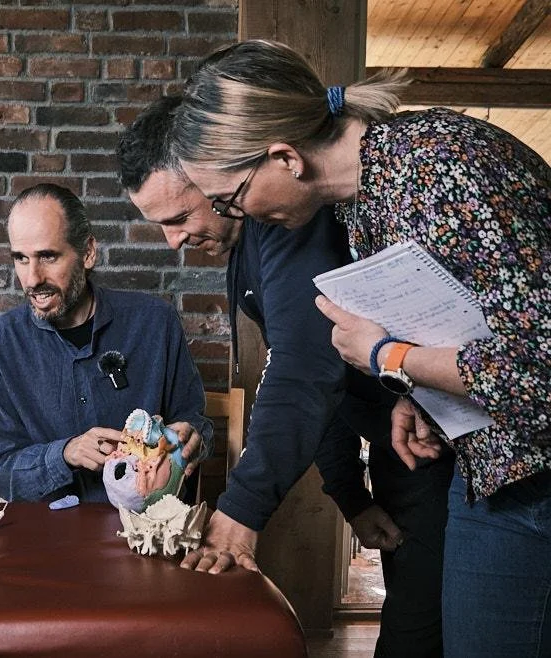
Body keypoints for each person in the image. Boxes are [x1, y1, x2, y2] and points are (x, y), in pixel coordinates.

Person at [170, 39, 550, 657]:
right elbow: (479, 325)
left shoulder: (436, 169)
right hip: (494, 463)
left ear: (285, 158)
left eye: (228, 200)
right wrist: (423, 395)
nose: (233, 216)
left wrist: (388, 359)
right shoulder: (367, 200)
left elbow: (539, 370)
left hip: (535, 468)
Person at [118, 95, 451, 656]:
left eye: (179, 218)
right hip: (400, 441)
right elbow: (326, 369)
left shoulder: (283, 218)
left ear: (213, 172)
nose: (173, 242)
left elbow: (306, 371)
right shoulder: (245, 242)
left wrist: (241, 510)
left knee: (419, 638)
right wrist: (350, 494)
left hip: (448, 445)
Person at [0, 183, 213, 503]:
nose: (32, 278)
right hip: (50, 538)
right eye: (21, 258)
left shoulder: (156, 323)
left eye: (48, 256)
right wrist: (65, 453)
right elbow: (0, 472)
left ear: (88, 252)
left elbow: (199, 427)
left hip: (145, 531)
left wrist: (191, 437)